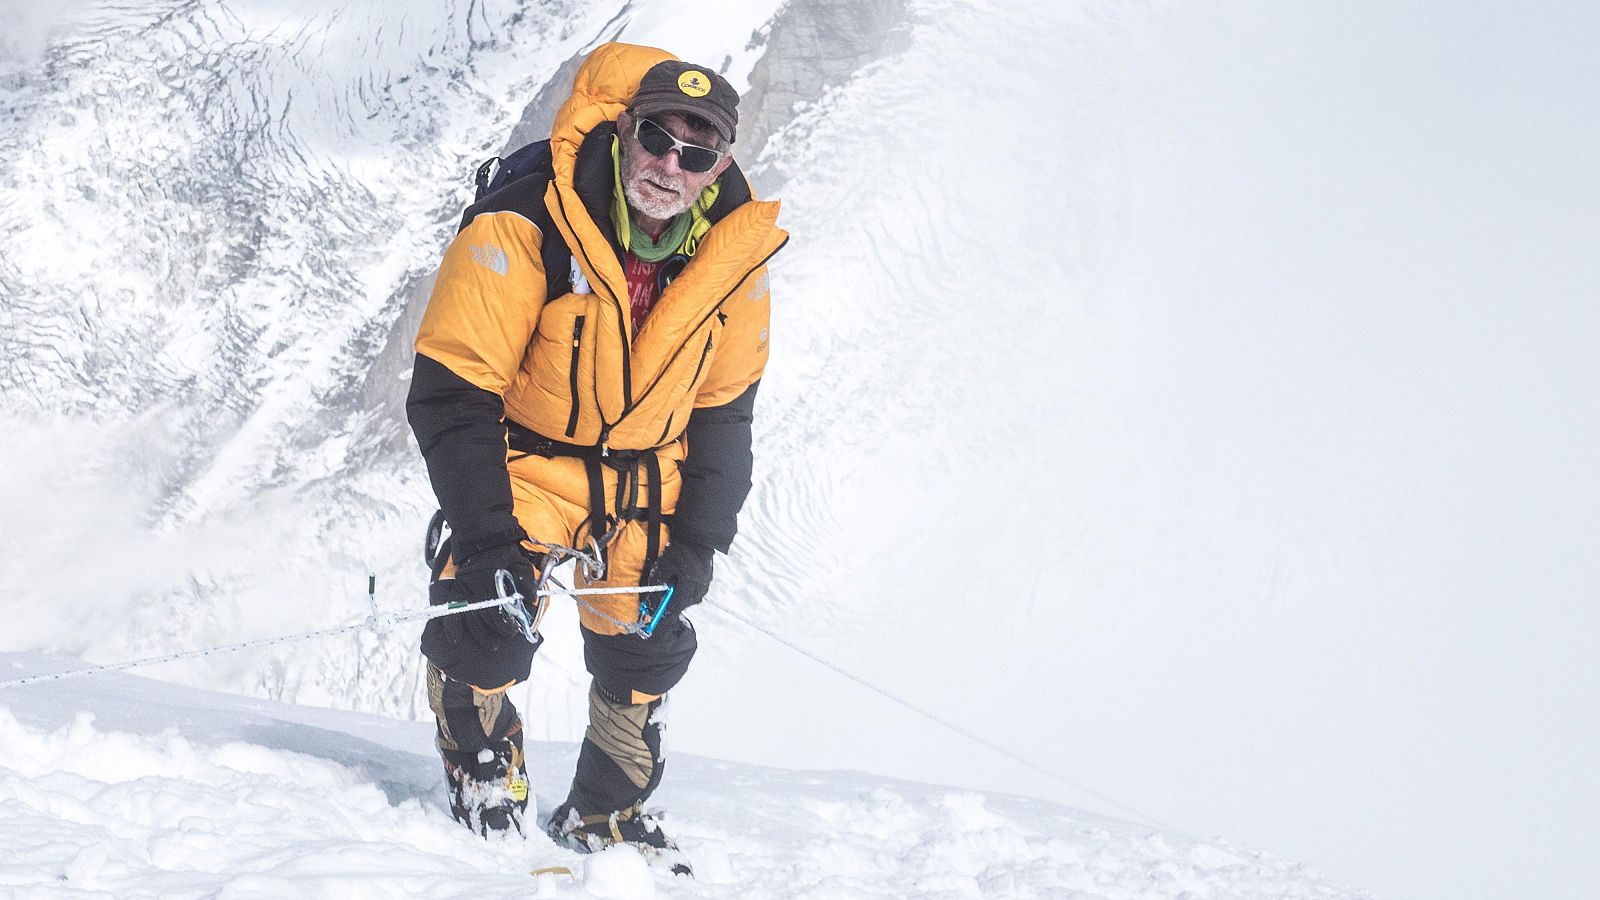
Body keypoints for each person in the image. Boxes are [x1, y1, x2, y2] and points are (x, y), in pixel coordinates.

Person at [405, 41, 785, 872]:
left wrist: (698, 543)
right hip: (525, 457)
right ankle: (481, 764)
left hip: (647, 478)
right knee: (488, 623)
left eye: (697, 153)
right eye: (656, 139)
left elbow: (725, 414)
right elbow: (452, 390)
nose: (670, 167)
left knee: (646, 645)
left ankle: (606, 813)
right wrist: (485, 538)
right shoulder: (531, 218)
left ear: (716, 166)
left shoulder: (731, 262)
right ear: (626, 130)